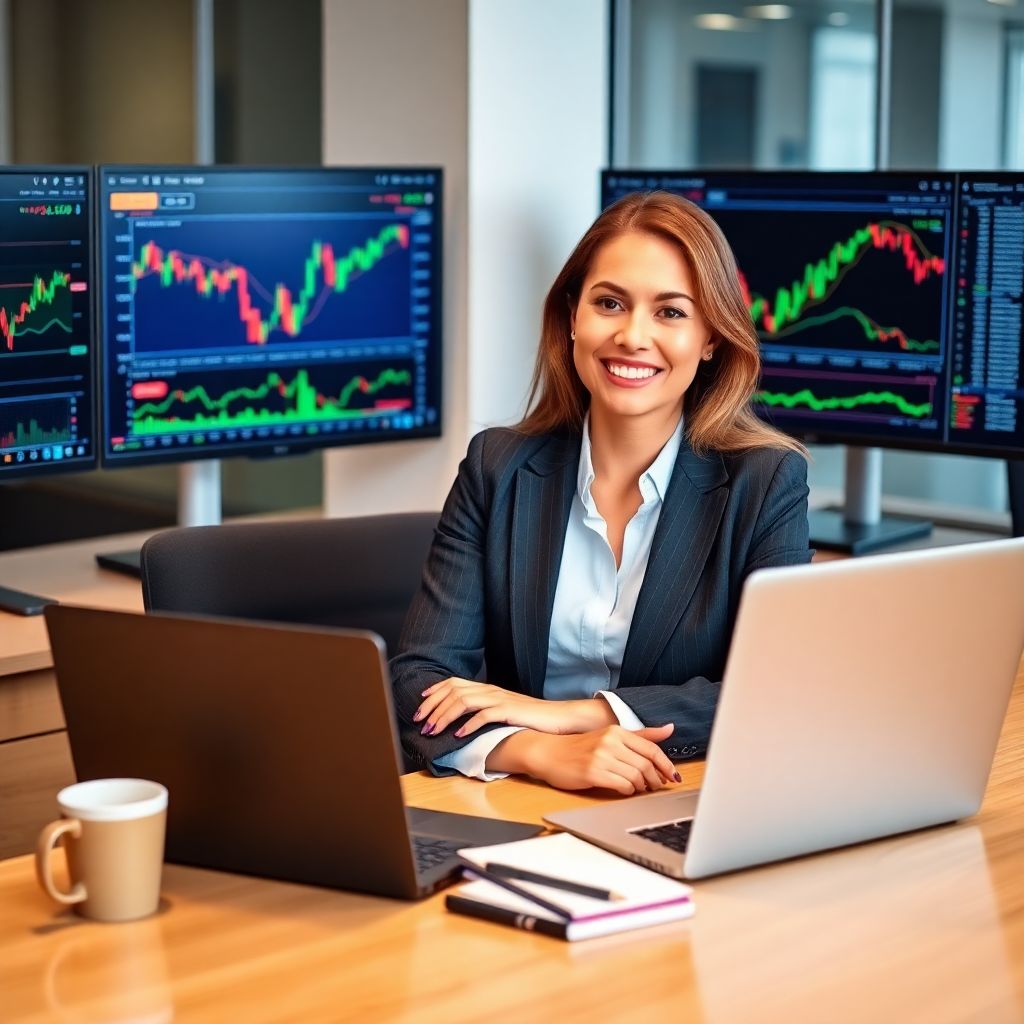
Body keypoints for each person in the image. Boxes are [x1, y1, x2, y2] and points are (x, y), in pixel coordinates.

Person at [390, 190, 811, 795]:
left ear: (712, 338)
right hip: (521, 798)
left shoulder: (765, 480)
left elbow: (781, 687)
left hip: (682, 795)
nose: (632, 336)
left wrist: (579, 715)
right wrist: (535, 750)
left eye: (670, 312)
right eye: (609, 303)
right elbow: (420, 679)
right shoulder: (498, 465)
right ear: (572, 318)